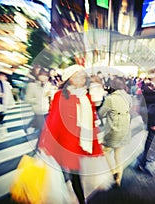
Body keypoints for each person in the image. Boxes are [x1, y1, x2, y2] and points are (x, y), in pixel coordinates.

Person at [38, 64, 103, 204]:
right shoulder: (59, 96)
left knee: (74, 172)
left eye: (82, 75)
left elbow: (91, 119)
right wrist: (47, 142)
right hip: (63, 140)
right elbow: (53, 121)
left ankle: (78, 197)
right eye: (77, 76)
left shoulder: (85, 96)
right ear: (69, 79)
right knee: (70, 172)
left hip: (78, 141)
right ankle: (80, 199)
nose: (81, 78)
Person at [98, 76, 132, 187]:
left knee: (105, 151)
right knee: (119, 154)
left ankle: (113, 172)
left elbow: (101, 113)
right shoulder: (128, 97)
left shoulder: (110, 99)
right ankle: (119, 179)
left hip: (113, 130)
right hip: (125, 129)